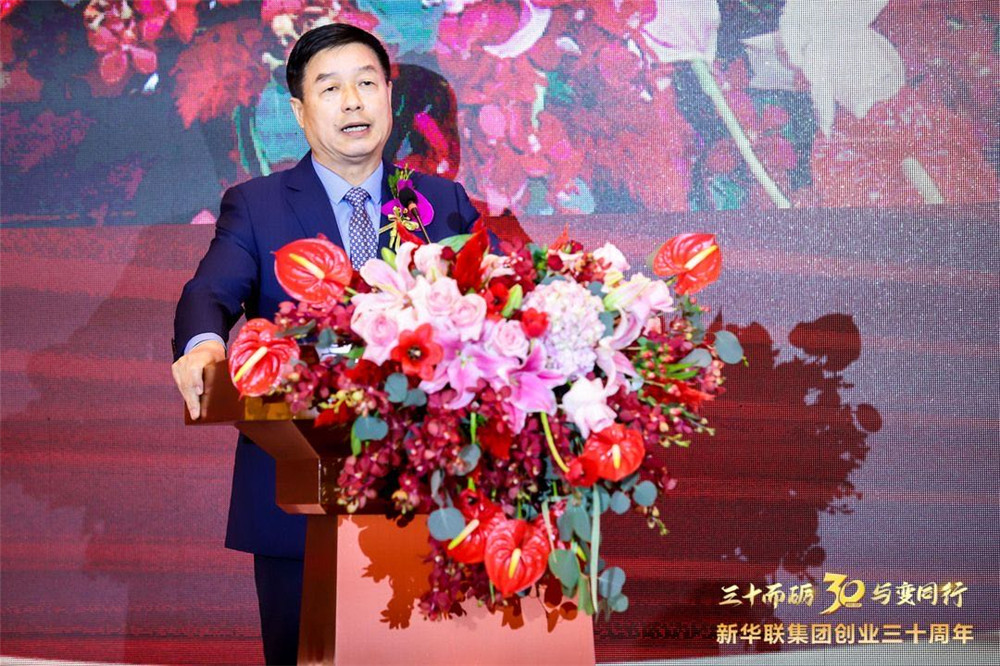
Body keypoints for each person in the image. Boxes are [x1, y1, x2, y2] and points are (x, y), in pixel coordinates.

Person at [171, 23, 479, 665]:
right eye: (331, 88)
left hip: (430, 491)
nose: (352, 101)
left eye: (367, 83)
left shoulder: (442, 202)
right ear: (298, 110)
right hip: (299, 492)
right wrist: (203, 344)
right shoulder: (256, 205)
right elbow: (210, 292)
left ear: (389, 97)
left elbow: (500, 296)